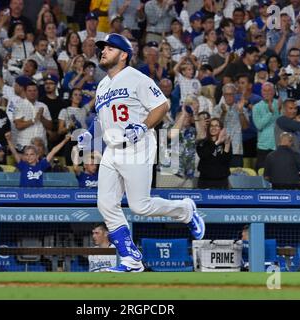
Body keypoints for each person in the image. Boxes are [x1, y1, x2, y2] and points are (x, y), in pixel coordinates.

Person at [77, 33, 205, 272]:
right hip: (112, 150)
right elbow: (103, 120)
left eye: (109, 48)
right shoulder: (103, 85)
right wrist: (92, 142)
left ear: (123, 54)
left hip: (137, 147)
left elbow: (162, 105)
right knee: (105, 204)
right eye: (102, 48)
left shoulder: (136, 77)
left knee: (140, 206)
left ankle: (186, 210)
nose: (103, 51)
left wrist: (143, 126)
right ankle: (131, 259)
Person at [5, 132, 71, 187]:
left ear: (37, 156)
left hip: (38, 195)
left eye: (32, 154)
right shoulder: (23, 165)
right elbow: (14, 152)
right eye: (27, 154)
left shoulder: (41, 165)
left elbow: (53, 151)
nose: (29, 157)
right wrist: (8, 140)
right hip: (23, 195)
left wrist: (65, 141)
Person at [196, 118, 232, 189]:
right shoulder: (202, 142)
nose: (213, 128)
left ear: (221, 129)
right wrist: (217, 142)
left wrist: (227, 145)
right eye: (211, 126)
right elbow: (204, 155)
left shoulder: (226, 142)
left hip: (222, 181)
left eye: (216, 126)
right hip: (205, 180)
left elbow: (226, 160)